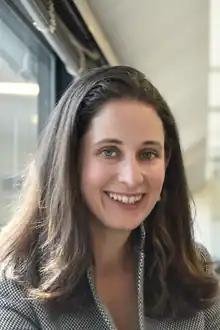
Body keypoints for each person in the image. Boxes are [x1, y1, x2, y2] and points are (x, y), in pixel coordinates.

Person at [0, 65, 219, 330]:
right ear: (70, 162)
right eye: (109, 152)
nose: (131, 177)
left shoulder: (192, 266)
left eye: (148, 154)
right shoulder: (15, 285)